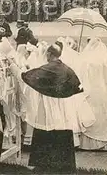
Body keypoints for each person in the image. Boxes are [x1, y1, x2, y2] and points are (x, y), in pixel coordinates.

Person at [8, 44, 83, 173]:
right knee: (62, 132)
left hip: (49, 105)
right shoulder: (67, 69)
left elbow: (27, 77)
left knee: (46, 131)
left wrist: (13, 67)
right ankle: (64, 165)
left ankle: (44, 164)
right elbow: (78, 86)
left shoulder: (48, 68)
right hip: (64, 107)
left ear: (49, 54)